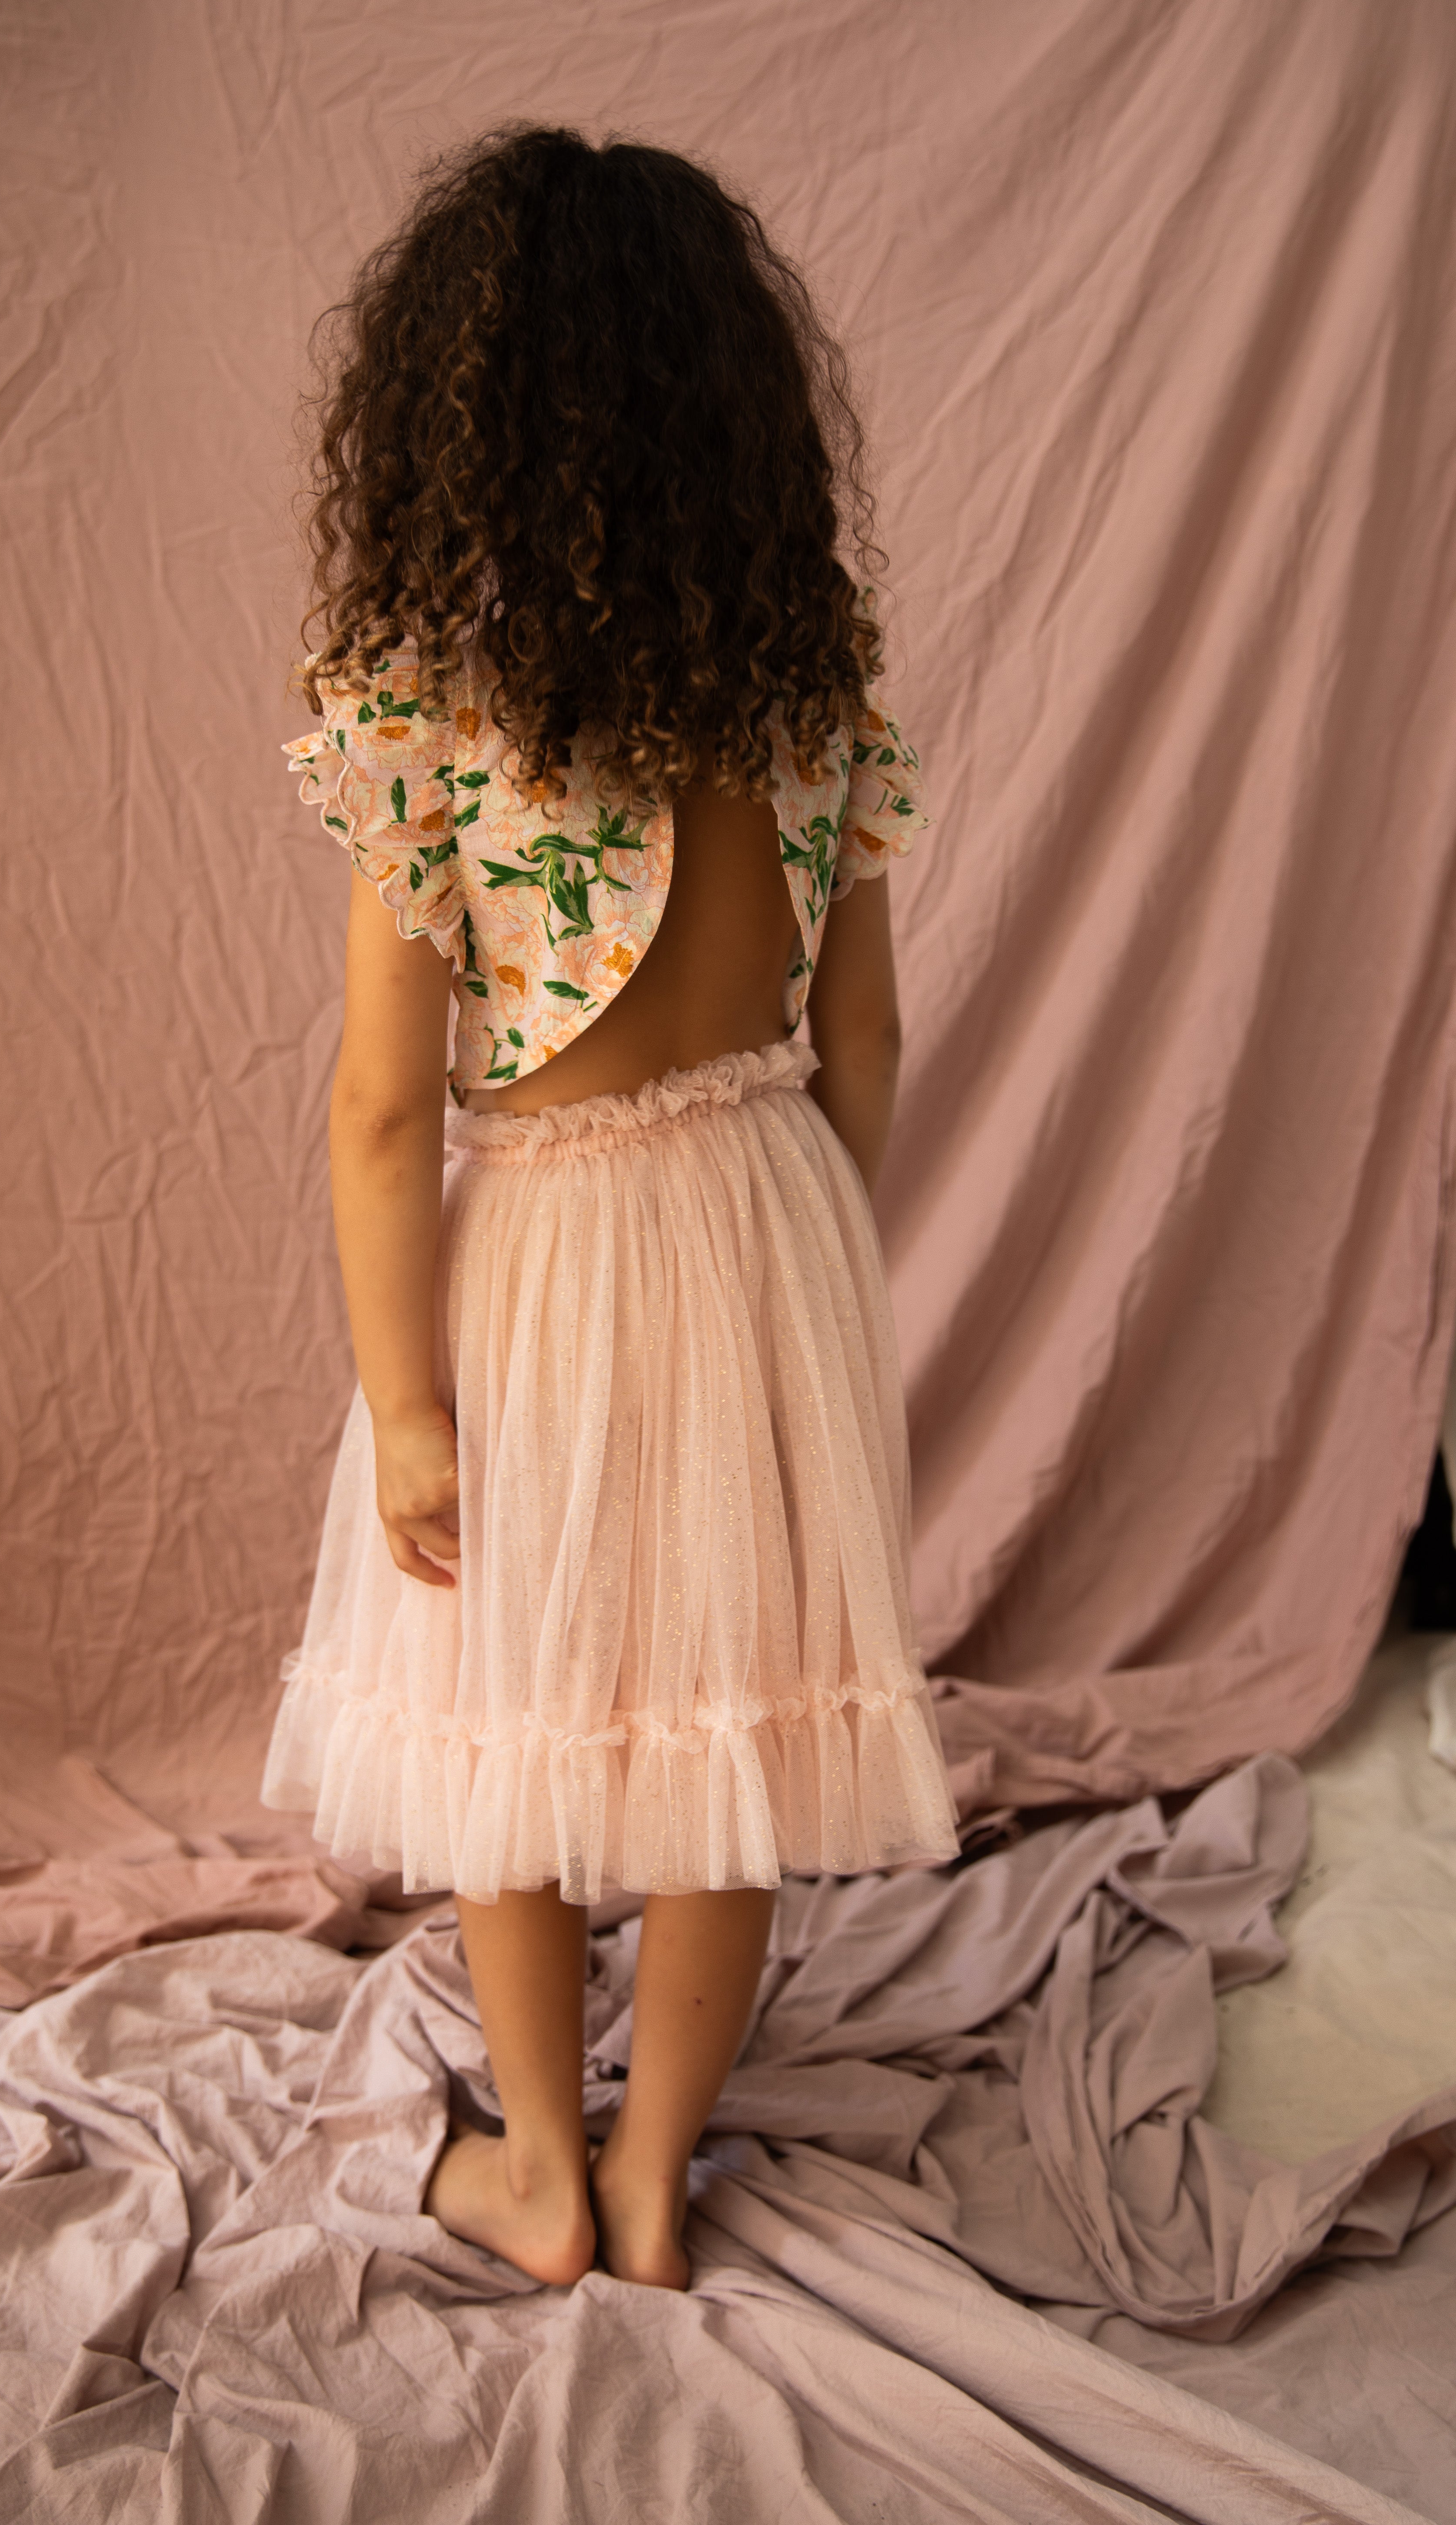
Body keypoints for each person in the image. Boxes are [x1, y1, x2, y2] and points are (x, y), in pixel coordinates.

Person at [261, 124, 960, 2292]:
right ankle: (659, 2171)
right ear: (740, 409)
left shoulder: (435, 722)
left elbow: (386, 1111)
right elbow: (865, 1042)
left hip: (547, 1258)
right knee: (724, 1717)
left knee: (520, 1717)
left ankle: (539, 2173)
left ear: (451, 423)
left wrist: (406, 1405)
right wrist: (812, 1268)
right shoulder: (807, 697)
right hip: (761, 1229)